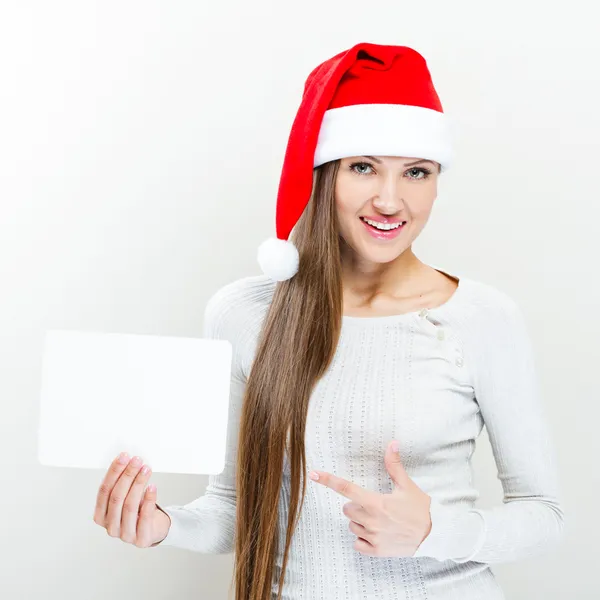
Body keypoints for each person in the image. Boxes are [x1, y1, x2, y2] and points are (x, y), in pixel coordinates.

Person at [94, 42, 565, 600]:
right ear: (324, 176)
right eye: (363, 167)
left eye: (416, 172)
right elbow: (233, 508)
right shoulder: (247, 315)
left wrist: (437, 531)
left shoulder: (481, 319)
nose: (390, 200)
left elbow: (544, 514)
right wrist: (162, 526)